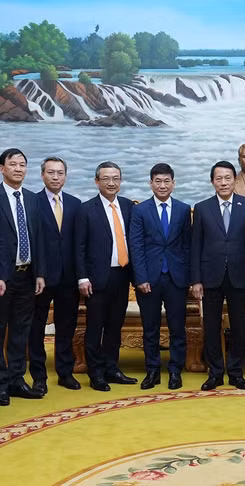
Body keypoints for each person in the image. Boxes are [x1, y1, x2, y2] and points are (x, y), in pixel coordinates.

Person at [191, 161, 245, 390]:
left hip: (240, 275)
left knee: (239, 326)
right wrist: (196, 279)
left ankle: (237, 373)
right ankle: (215, 373)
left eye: (227, 178)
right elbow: (196, 246)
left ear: (234, 180)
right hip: (210, 276)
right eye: (218, 178)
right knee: (211, 326)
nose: (223, 182)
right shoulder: (202, 208)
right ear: (212, 182)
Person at [0, 148, 46, 405]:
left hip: (28, 275)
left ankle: (16, 380)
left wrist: (40, 274)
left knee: (20, 332)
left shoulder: (33, 200)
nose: (18, 169)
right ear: (2, 168)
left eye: (22, 164)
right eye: (13, 164)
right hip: (3, 278)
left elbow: (38, 239)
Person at [129, 163, 191, 390]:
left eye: (167, 181)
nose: (162, 185)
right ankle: (152, 371)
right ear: (151, 183)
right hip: (149, 280)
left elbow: (187, 245)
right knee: (150, 329)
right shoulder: (140, 210)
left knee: (177, 328)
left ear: (173, 184)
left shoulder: (184, 210)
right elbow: (136, 246)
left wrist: (189, 277)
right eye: (158, 181)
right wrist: (141, 278)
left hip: (176, 278)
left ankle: (175, 371)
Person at [76, 162, 137, 391]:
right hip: (96, 278)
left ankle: (112, 368)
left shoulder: (128, 206)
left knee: (114, 326)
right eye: (106, 178)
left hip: (122, 275)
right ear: (97, 181)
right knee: (95, 327)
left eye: (116, 178)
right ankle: (96, 373)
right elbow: (79, 247)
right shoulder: (86, 209)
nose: (111, 183)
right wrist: (82, 277)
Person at [29, 157, 82, 394]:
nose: (56, 177)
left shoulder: (75, 204)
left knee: (66, 326)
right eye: (51, 173)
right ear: (42, 175)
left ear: (66, 176)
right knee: (37, 326)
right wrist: (38, 272)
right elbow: (31, 241)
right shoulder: (32, 202)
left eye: (60, 173)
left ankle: (65, 372)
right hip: (41, 276)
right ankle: (38, 375)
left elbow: (80, 243)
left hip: (69, 277)